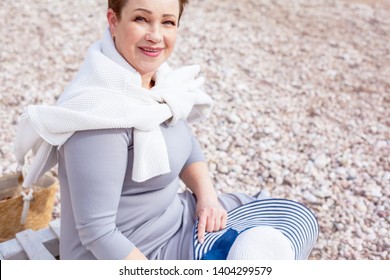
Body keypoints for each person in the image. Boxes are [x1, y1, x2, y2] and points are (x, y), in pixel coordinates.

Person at [14, 0, 318, 260]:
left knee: (297, 218)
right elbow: (98, 233)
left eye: (168, 22)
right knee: (263, 249)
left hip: (178, 218)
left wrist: (207, 199)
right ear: (113, 21)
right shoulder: (99, 115)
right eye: (141, 19)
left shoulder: (157, 84)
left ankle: (226, 253)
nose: (156, 35)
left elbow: (186, 147)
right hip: (132, 253)